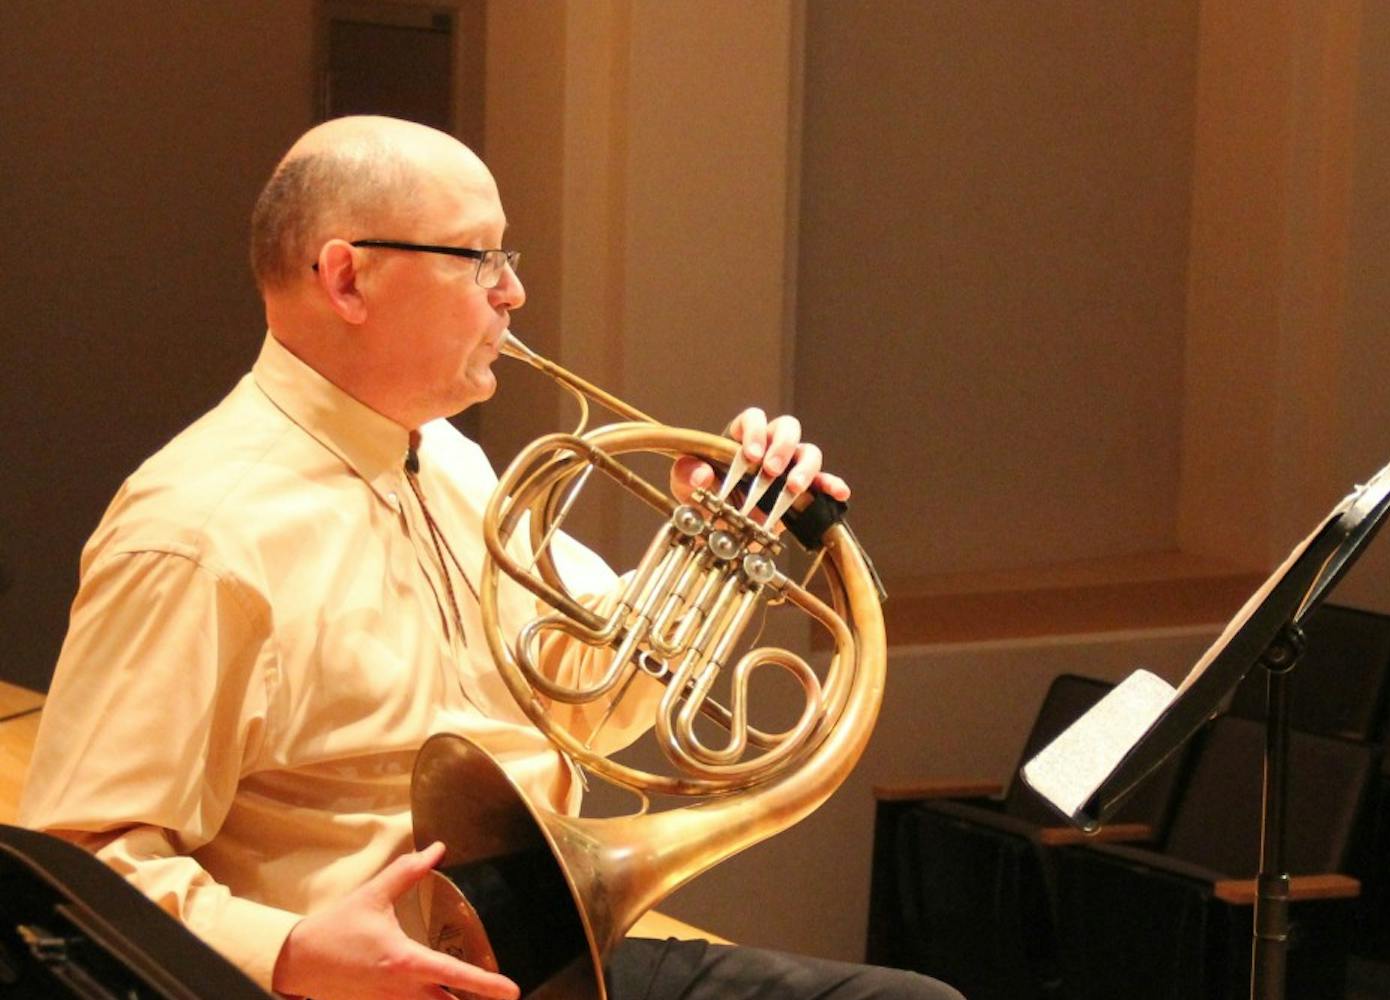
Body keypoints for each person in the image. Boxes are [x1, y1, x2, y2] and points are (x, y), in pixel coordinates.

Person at [20, 116, 961, 1000]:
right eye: (480, 258)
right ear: (347, 279)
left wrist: (724, 539)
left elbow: (590, 699)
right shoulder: (196, 534)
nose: (513, 292)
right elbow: (82, 870)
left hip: (530, 949)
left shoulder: (449, 459)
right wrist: (295, 951)